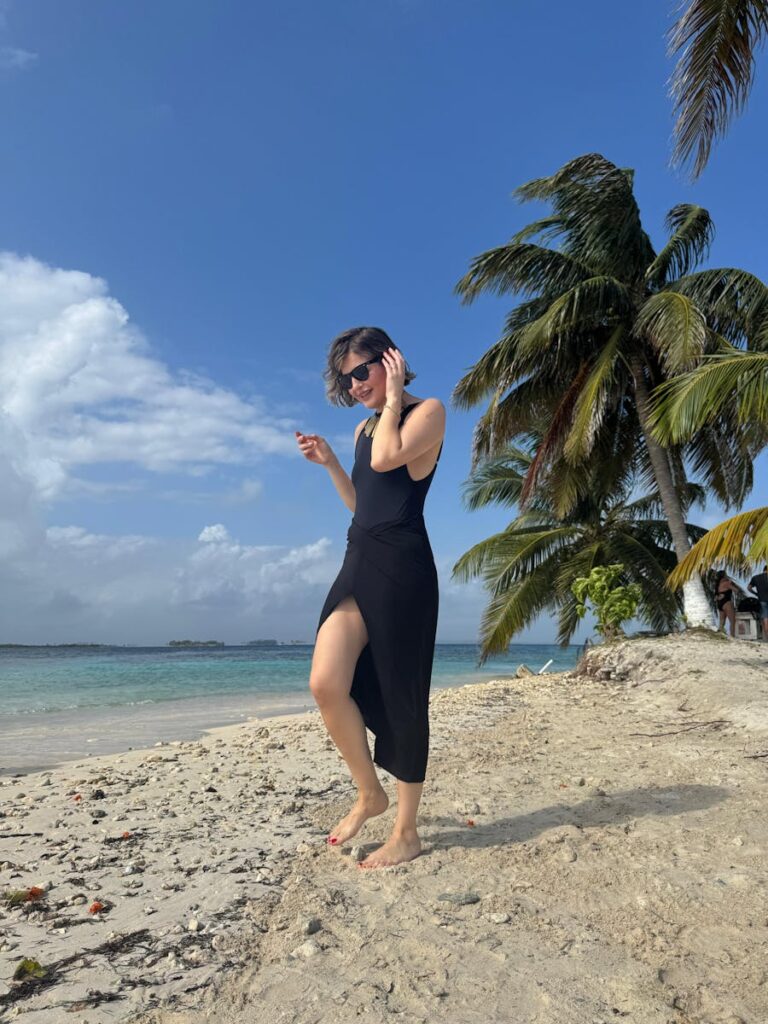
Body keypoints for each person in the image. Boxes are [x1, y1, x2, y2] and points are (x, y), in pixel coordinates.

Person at [296, 327, 445, 869]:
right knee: (326, 682)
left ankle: (406, 831)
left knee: (405, 694)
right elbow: (363, 503)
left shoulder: (427, 411)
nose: (355, 385)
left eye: (364, 371)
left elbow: (387, 460)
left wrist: (396, 394)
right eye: (347, 378)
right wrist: (334, 462)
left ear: (391, 360)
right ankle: (370, 793)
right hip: (358, 559)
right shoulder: (363, 428)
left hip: (404, 568)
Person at [714, 570, 738, 637]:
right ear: (724, 575)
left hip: (720, 604)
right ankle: (732, 636)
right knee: (732, 621)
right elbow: (736, 590)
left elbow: (715, 597)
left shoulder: (717, 584)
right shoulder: (726, 583)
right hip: (727, 603)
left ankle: (719, 636)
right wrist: (731, 584)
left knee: (722, 622)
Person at [748, 564, 768, 640]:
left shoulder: (756, 577)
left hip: (762, 600)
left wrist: (756, 593)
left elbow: (749, 588)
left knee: (765, 619)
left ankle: (767, 638)